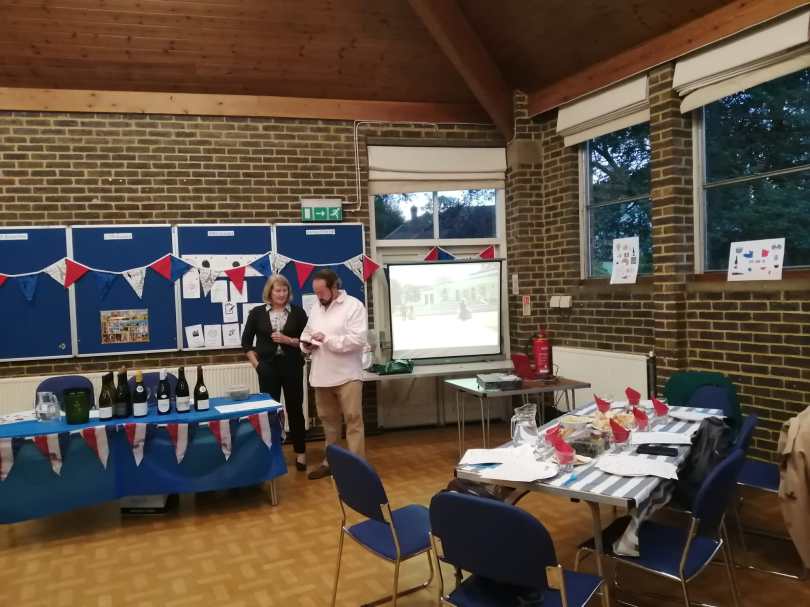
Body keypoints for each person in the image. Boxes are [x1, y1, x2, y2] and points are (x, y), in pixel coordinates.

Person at [300, 269, 368, 480]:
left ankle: (358, 468)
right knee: (329, 423)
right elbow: (306, 332)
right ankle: (331, 463)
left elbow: (358, 340)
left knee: (353, 421)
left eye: (321, 292)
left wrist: (327, 339)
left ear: (334, 287)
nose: (318, 296)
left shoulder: (354, 306)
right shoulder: (315, 308)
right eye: (316, 292)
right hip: (321, 375)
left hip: (348, 375)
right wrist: (306, 345)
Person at [242, 275, 309, 471]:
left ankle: (301, 453)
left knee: (295, 410)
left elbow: (307, 342)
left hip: (292, 367)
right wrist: (257, 365)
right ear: (270, 292)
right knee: (270, 413)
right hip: (267, 369)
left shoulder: (298, 312)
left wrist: (288, 340)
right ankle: (272, 453)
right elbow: (246, 343)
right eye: (277, 290)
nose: (281, 294)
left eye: (284, 290)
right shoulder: (257, 313)